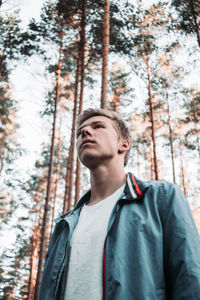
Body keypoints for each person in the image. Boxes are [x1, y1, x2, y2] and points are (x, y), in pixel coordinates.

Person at [39, 108, 200, 300]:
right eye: (80, 131)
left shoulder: (161, 197)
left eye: (98, 126)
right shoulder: (64, 224)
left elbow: (190, 278)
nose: (85, 132)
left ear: (123, 144)